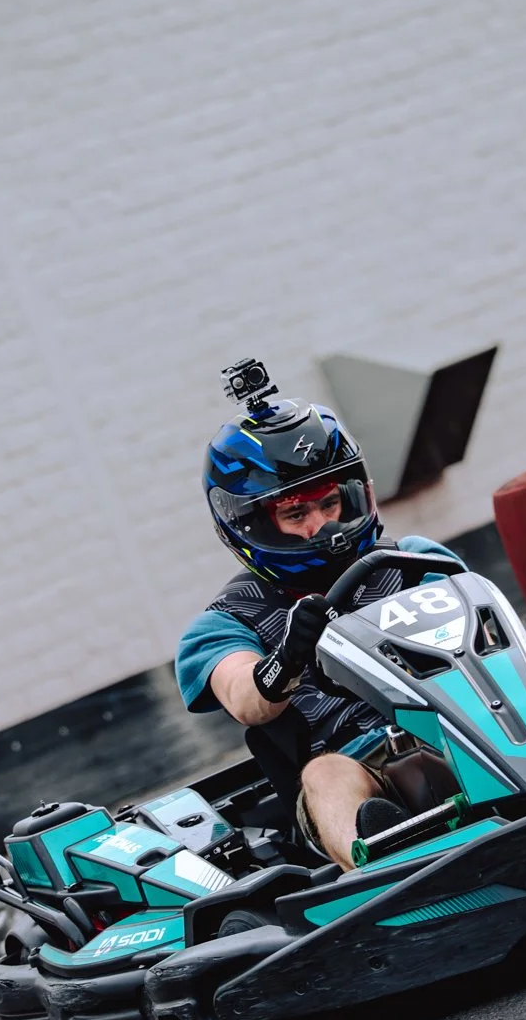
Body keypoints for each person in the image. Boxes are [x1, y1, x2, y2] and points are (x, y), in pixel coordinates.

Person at [175, 360, 462, 871]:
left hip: (462, 728)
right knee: (324, 774)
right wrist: (286, 656)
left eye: (329, 502)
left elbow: (494, 640)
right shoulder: (224, 624)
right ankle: (387, 862)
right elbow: (245, 698)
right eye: (296, 514)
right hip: (359, 765)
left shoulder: (415, 560)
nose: (323, 525)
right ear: (249, 524)